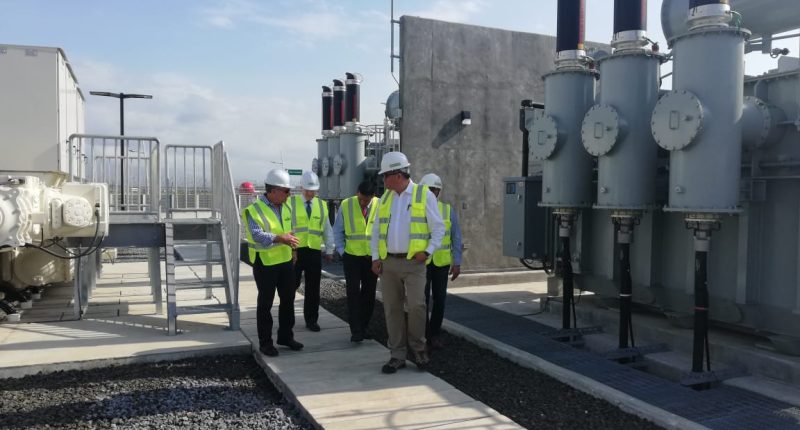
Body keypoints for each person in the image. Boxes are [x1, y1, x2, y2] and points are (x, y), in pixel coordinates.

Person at [371, 152, 445, 374]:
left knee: (416, 306)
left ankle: (419, 349)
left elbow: (438, 228)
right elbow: (376, 230)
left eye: (385, 176)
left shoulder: (424, 195)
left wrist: (428, 251)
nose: (383, 180)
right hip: (389, 263)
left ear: (397, 175)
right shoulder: (385, 198)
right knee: (392, 309)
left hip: (414, 264)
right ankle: (397, 355)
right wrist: (375, 257)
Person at [241, 168, 304, 357]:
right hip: (265, 263)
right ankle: (266, 343)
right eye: (286, 191)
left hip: (285, 261)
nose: (289, 194)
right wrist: (279, 238)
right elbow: (257, 235)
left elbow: (290, 232)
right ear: (274, 191)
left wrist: (293, 249)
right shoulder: (253, 210)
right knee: (265, 304)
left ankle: (286, 337)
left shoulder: (286, 207)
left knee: (288, 300)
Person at [419, 173, 462, 350]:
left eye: (436, 190)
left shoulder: (447, 210)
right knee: (421, 301)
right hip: (422, 262)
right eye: (430, 189)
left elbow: (456, 236)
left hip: (441, 263)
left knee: (440, 300)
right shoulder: (416, 209)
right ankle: (422, 335)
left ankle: (434, 334)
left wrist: (457, 262)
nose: (433, 192)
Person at [333, 180, 379, 342]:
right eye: (360, 199)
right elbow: (337, 230)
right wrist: (342, 251)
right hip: (351, 257)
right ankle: (356, 330)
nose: (362, 203)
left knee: (369, 293)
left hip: (372, 258)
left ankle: (364, 326)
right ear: (357, 193)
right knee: (353, 293)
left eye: (366, 200)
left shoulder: (381, 205)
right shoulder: (346, 204)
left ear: (373, 196)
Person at [290, 171, 334, 331]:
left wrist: (329, 249)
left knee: (313, 288)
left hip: (314, 251)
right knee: (290, 286)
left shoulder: (321, 205)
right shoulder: (291, 202)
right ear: (301, 187)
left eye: (314, 190)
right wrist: (290, 248)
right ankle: (287, 320)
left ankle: (311, 320)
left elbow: (327, 229)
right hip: (295, 251)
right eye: (308, 190)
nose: (311, 193)